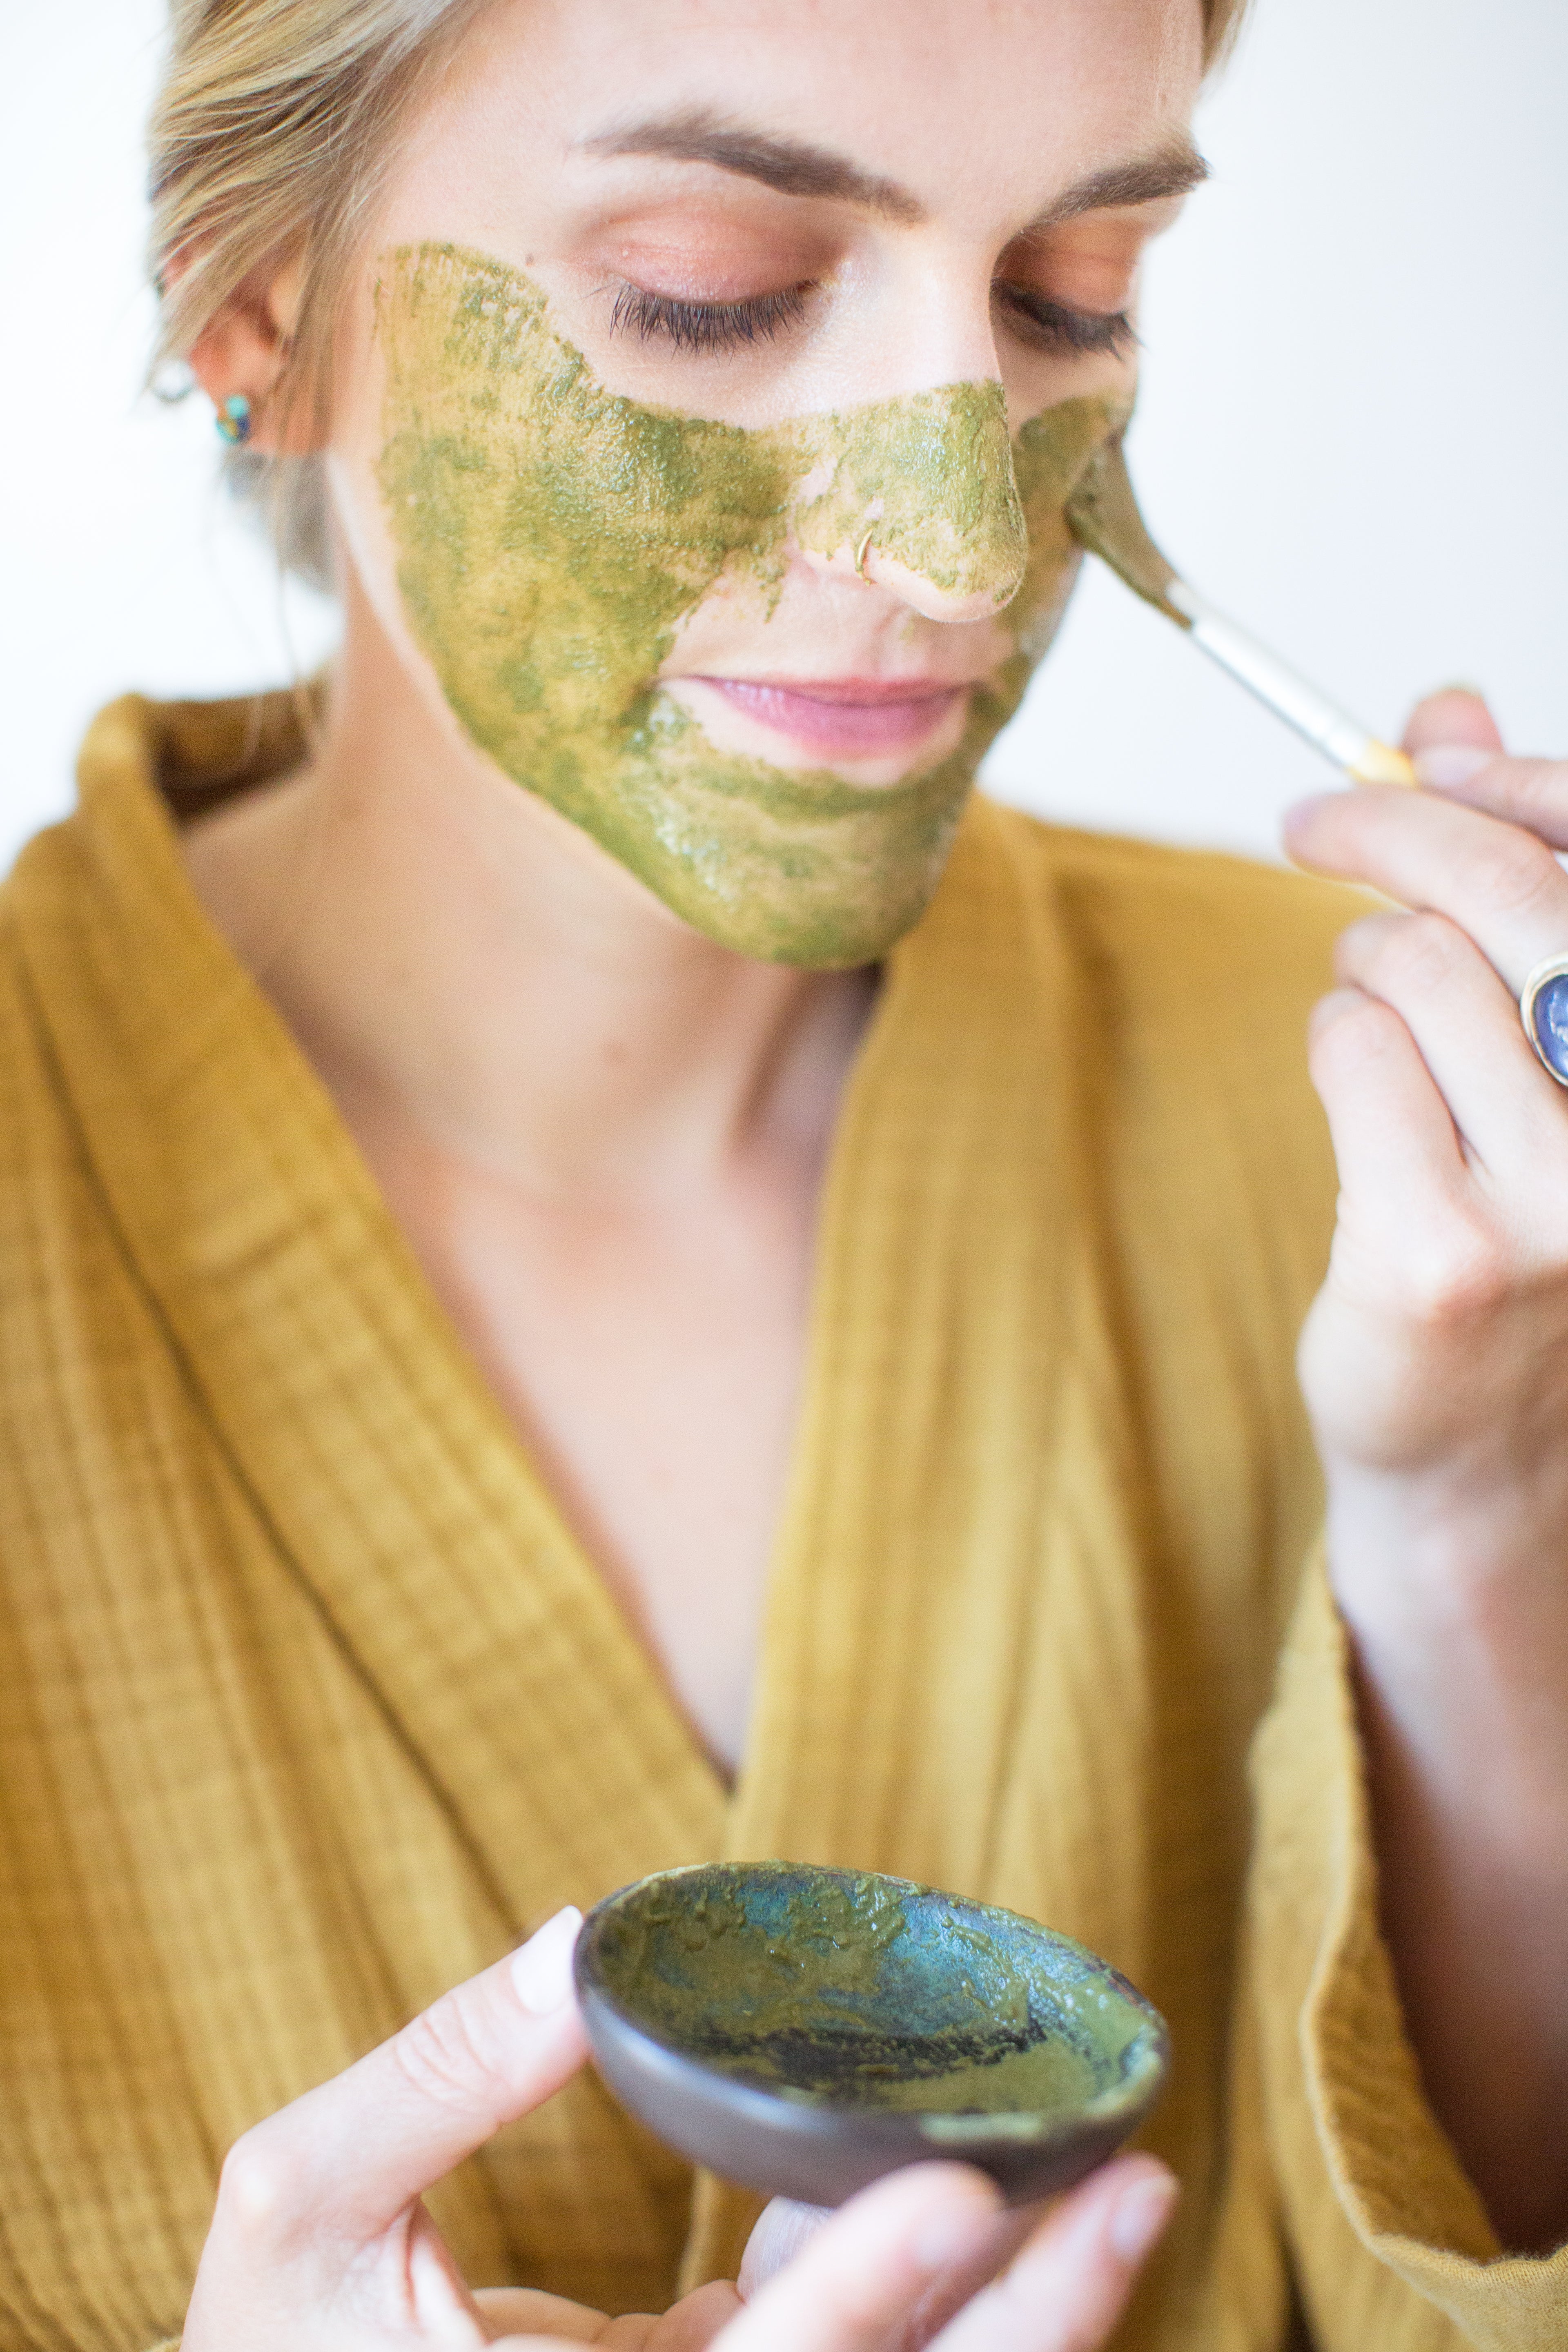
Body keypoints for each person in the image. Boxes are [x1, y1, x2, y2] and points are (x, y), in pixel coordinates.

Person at [2, 0, 1566, 2346]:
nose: (954, 548)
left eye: (1074, 295)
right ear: (261, 307)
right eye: (710, 289)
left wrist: (1484, 1527)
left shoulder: (1429, 1156)